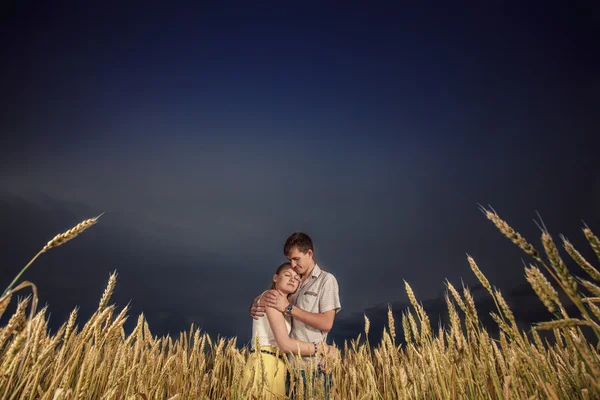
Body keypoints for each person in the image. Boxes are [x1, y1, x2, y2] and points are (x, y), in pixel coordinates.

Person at [250, 232, 341, 397]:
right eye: (290, 260)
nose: (292, 264)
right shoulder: (294, 284)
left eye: (296, 259)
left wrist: (288, 308)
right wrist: (257, 303)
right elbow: (272, 299)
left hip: (313, 368)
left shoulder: (326, 281)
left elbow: (327, 323)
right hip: (287, 367)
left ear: (309, 254)